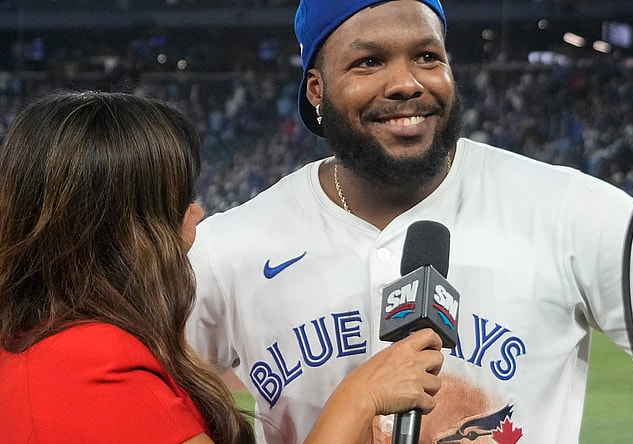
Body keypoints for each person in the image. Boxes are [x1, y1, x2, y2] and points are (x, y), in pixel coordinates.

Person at [185, 1, 633, 443]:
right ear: (317, 89)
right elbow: (149, 406)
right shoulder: (227, 248)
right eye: (368, 62)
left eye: (427, 56)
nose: (407, 83)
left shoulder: (572, 209)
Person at [0, 91, 445, 444]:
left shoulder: (37, 342)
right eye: (176, 204)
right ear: (120, 231)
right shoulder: (92, 365)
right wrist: (359, 397)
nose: (196, 215)